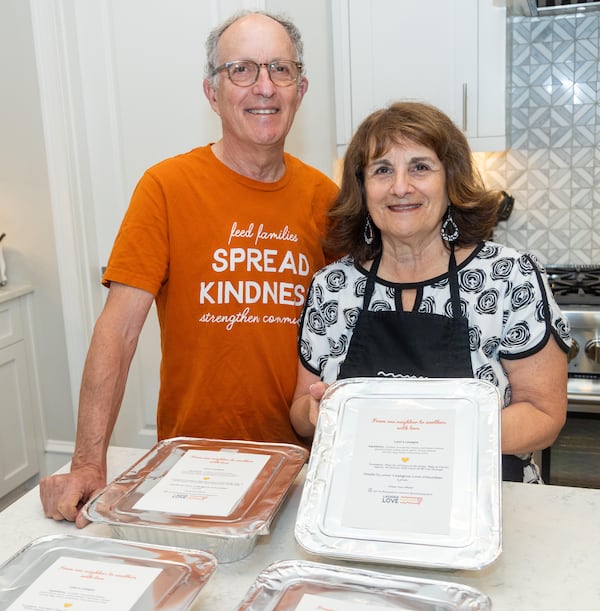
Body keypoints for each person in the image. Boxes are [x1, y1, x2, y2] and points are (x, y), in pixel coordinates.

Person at [40, 10, 339, 526]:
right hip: (191, 469)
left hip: (302, 470)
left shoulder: (326, 200)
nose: (263, 86)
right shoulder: (166, 187)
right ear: (212, 92)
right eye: (241, 70)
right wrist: (89, 461)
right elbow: (118, 332)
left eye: (280, 70)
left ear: (301, 87)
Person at [290, 101, 571, 483]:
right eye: (382, 170)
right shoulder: (333, 287)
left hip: (486, 501)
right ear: (363, 187)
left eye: (420, 167)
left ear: (449, 179)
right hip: (363, 498)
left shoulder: (508, 277)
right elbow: (301, 415)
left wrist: (425, 440)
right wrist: (313, 412)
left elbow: (543, 416)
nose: (400, 187)